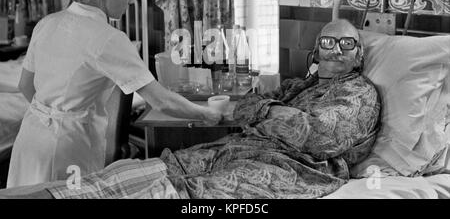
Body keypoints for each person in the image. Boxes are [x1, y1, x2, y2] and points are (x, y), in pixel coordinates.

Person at [2, 18, 381, 199]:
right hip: (235, 151)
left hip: (291, 170)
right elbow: (248, 103)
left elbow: (315, 134)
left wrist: (264, 111)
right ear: (316, 51)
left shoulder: (359, 94)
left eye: (347, 44)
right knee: (130, 173)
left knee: (183, 195)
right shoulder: (301, 85)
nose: (336, 50)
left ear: (360, 54)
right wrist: (267, 110)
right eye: (328, 42)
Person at [6, 0, 222, 188]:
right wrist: (206, 114)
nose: (131, 1)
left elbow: (25, 86)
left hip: (30, 138)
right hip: (68, 147)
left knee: (26, 193)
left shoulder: (47, 23)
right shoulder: (108, 38)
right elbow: (160, 101)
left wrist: (50, 114)